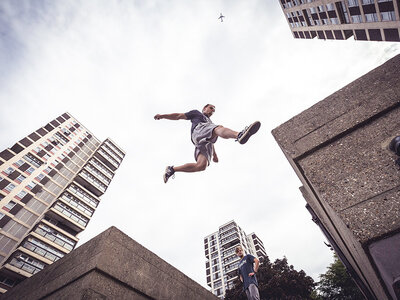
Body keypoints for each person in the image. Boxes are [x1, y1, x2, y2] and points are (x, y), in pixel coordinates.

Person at [154, 104, 261, 183]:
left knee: (201, 166)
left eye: (213, 111)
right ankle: (239, 135)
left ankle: (172, 169)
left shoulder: (211, 124)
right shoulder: (197, 114)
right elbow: (178, 116)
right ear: (204, 108)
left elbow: (211, 136)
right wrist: (163, 116)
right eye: (211, 109)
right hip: (199, 130)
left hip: (203, 142)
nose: (211, 112)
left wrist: (214, 155)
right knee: (218, 128)